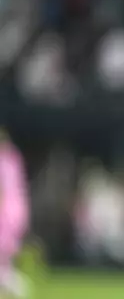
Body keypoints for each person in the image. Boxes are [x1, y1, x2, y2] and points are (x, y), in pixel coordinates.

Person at [0, 128, 29, 298]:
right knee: (5, 257)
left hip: (5, 211)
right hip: (18, 210)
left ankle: (15, 286)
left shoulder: (4, 161)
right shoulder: (14, 158)